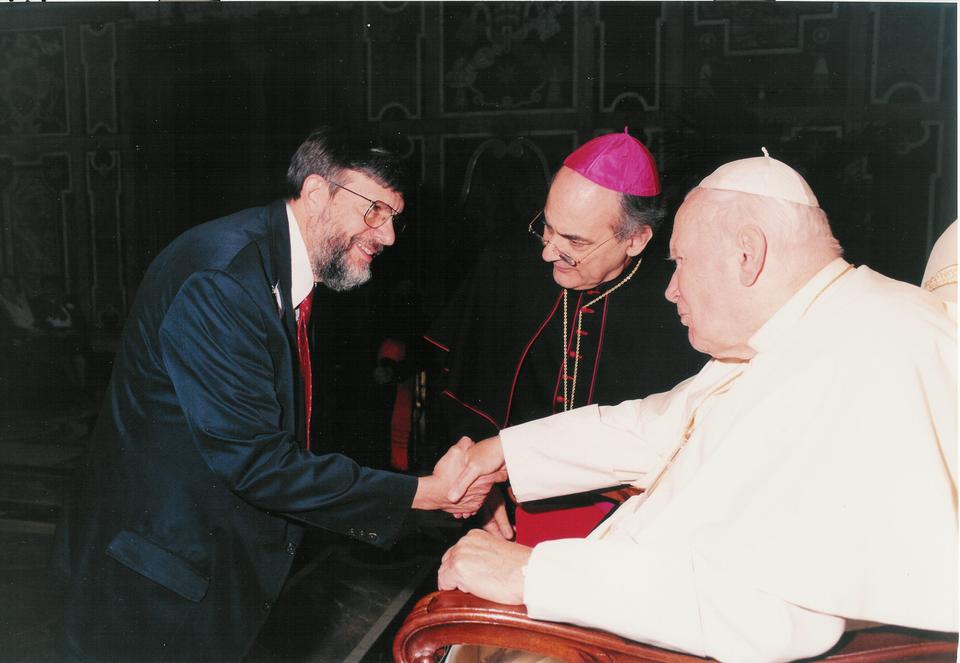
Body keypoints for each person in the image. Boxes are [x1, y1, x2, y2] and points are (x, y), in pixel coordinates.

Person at [437, 151, 958, 662]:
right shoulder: (807, 323)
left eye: (681, 263)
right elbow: (659, 424)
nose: (670, 290)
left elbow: (770, 618)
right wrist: (501, 451)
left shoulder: (865, 356)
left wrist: (528, 574)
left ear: (747, 254)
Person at [56, 127, 501, 662]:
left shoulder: (271, 265)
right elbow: (257, 463)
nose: (387, 237)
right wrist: (422, 492)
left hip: (200, 561)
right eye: (374, 211)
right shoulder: (224, 279)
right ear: (317, 193)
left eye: (393, 217)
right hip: (154, 579)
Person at [425, 130, 703, 544]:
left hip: (634, 526)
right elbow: (460, 391)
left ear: (636, 239)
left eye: (574, 241)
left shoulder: (683, 302)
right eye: (547, 228)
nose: (547, 253)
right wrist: (480, 490)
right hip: (510, 509)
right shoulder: (506, 266)